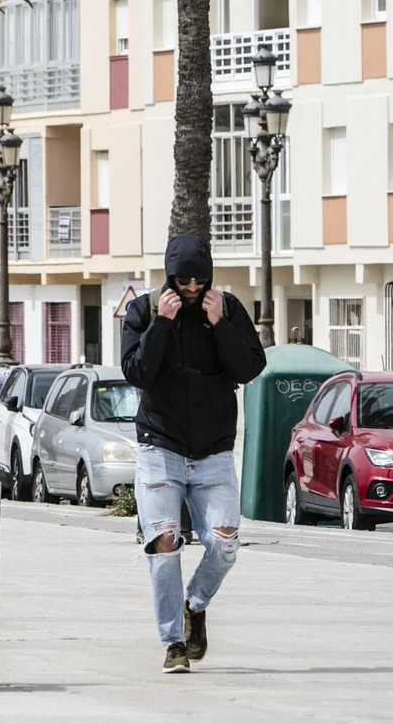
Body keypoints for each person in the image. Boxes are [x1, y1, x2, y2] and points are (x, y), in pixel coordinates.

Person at [121, 233, 265, 673]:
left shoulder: (228, 308)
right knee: (164, 542)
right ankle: (173, 643)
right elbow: (137, 373)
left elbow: (251, 368)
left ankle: (195, 603)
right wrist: (161, 324)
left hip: (214, 450)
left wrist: (221, 324)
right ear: (170, 275)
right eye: (183, 278)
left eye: (199, 279)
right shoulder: (144, 309)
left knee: (225, 543)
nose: (191, 286)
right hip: (159, 447)